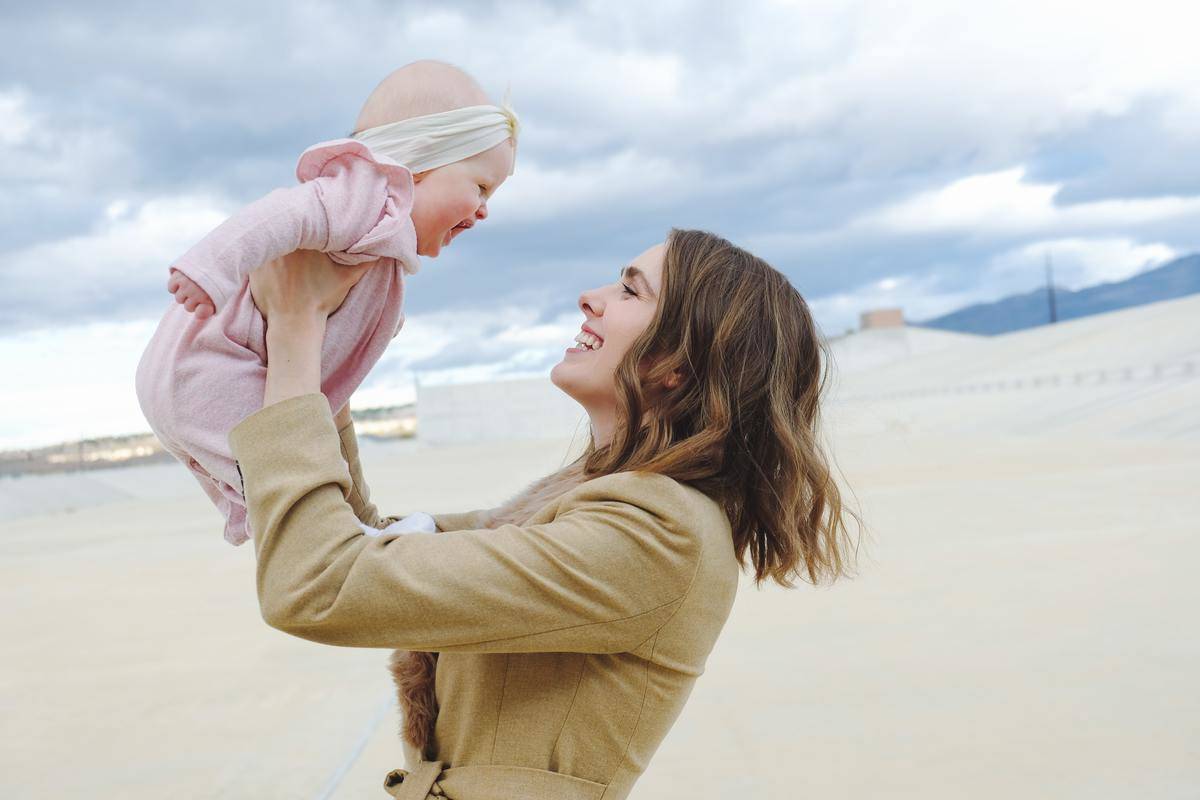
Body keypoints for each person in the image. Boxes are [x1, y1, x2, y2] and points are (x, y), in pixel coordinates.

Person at [229, 229, 858, 799]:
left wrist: (296, 327)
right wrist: (327, 350)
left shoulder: (656, 534)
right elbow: (373, 551)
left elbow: (315, 582)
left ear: (680, 364)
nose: (591, 297)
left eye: (630, 292)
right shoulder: (596, 503)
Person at [135, 61, 517, 545]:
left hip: (199, 380)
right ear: (420, 162)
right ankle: (332, 535)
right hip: (208, 369)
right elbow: (282, 213)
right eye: (480, 187)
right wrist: (208, 269)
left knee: (284, 465)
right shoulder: (364, 196)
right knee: (285, 470)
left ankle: (285, 521)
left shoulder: (385, 249)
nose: (484, 210)